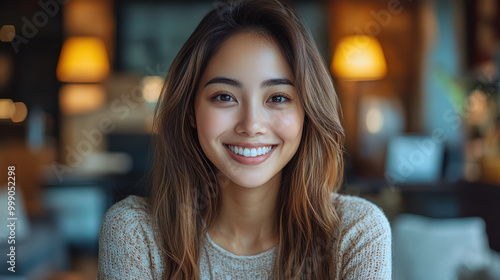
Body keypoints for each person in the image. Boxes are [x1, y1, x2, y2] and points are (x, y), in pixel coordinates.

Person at [96, 0, 391, 279]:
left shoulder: (357, 232)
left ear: (307, 113)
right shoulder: (134, 233)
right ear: (191, 112)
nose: (251, 125)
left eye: (277, 97)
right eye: (224, 97)